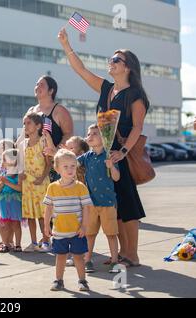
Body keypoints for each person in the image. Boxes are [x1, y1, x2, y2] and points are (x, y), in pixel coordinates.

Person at [58, 27, 149, 267]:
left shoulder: (135, 94)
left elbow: (137, 127)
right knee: (112, 205)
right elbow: (81, 70)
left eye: (116, 59)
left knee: (127, 205)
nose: (111, 62)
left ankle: (133, 254)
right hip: (102, 155)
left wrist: (123, 151)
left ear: (127, 66)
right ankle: (119, 254)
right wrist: (67, 45)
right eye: (111, 59)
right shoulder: (107, 88)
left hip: (121, 156)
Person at [43, 149, 92, 292]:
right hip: (59, 231)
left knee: (78, 257)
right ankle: (58, 280)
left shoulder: (80, 187)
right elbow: (48, 208)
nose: (70, 169)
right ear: (57, 169)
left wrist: (84, 226)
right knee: (60, 257)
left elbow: (86, 209)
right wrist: (46, 225)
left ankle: (82, 280)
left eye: (72, 166)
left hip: (77, 231)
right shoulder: (52, 188)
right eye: (65, 166)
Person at [78, 125, 121, 273]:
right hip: (90, 204)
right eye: (88, 133)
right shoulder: (87, 156)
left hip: (108, 203)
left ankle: (115, 261)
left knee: (111, 234)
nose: (90, 136)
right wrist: (56, 151)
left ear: (104, 139)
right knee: (89, 234)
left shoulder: (109, 155)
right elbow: (71, 161)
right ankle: (87, 260)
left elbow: (116, 178)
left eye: (94, 134)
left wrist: (111, 167)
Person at [20, 113, 51, 253]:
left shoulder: (43, 141)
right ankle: (33, 242)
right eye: (24, 123)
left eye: (28, 123)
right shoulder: (23, 144)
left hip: (40, 183)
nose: (25, 126)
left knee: (42, 214)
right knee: (30, 214)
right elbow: (21, 163)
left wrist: (42, 177)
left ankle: (46, 240)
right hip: (27, 184)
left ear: (38, 126)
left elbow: (49, 163)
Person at [0, 149, 23, 253]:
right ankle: (6, 244)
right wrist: (0, 185)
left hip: (14, 201)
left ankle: (18, 244)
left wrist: (7, 182)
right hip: (3, 201)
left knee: (16, 224)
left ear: (13, 161)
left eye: (4, 159)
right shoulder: (3, 173)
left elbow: (20, 188)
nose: (1, 161)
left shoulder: (19, 174)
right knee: (6, 224)